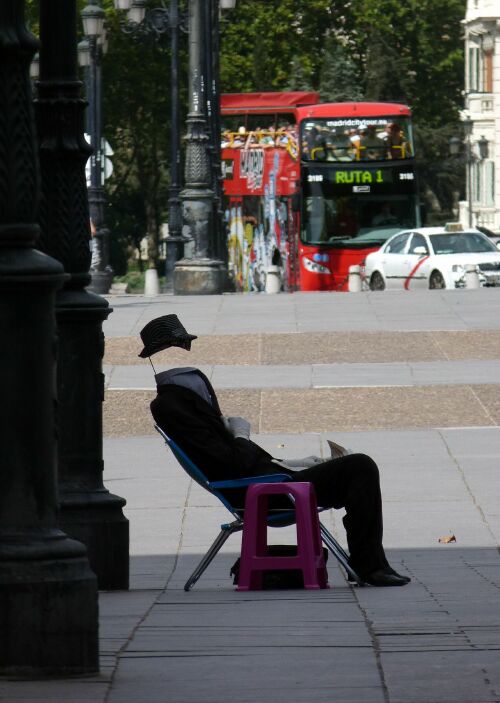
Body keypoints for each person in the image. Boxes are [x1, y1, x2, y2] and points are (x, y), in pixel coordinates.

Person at [140, 314, 411, 587]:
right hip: (261, 491)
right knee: (360, 466)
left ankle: (368, 562)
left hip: (267, 479)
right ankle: (369, 565)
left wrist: (299, 463)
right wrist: (241, 435)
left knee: (354, 466)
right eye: (177, 348)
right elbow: (231, 464)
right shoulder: (173, 404)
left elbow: (240, 460)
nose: (185, 355)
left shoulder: (184, 396)